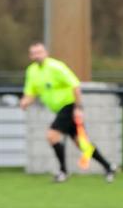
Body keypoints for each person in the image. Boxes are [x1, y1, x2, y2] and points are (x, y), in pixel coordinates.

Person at [19, 42, 116, 183]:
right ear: (30, 56)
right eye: (34, 53)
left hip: (69, 106)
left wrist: (78, 108)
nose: (37, 55)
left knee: (51, 135)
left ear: (45, 52)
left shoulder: (56, 67)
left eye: (39, 52)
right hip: (59, 110)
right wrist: (25, 101)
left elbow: (75, 85)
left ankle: (63, 172)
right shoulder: (31, 71)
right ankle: (109, 167)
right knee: (82, 144)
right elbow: (31, 92)